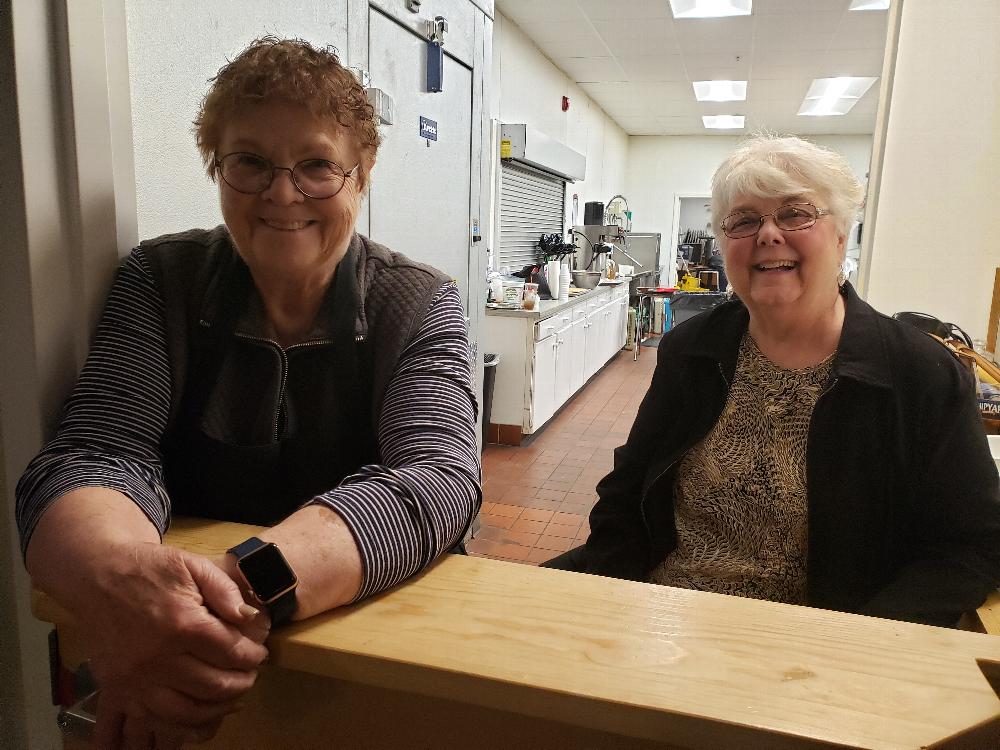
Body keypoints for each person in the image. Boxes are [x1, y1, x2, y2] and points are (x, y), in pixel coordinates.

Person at [16, 37, 480, 748]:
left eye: (317, 165)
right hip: (175, 661)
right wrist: (122, 587)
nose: (282, 193)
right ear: (217, 168)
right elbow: (96, 453)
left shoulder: (422, 303)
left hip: (361, 660)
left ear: (362, 174)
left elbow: (438, 479)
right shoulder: (159, 279)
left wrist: (229, 593)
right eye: (251, 162)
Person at [545, 135, 1000, 628]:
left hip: (822, 644)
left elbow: (970, 545)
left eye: (795, 214)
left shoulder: (920, 375)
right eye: (743, 221)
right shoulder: (691, 350)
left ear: (843, 235)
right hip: (664, 619)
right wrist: (615, 606)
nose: (767, 234)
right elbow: (626, 491)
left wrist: (858, 646)